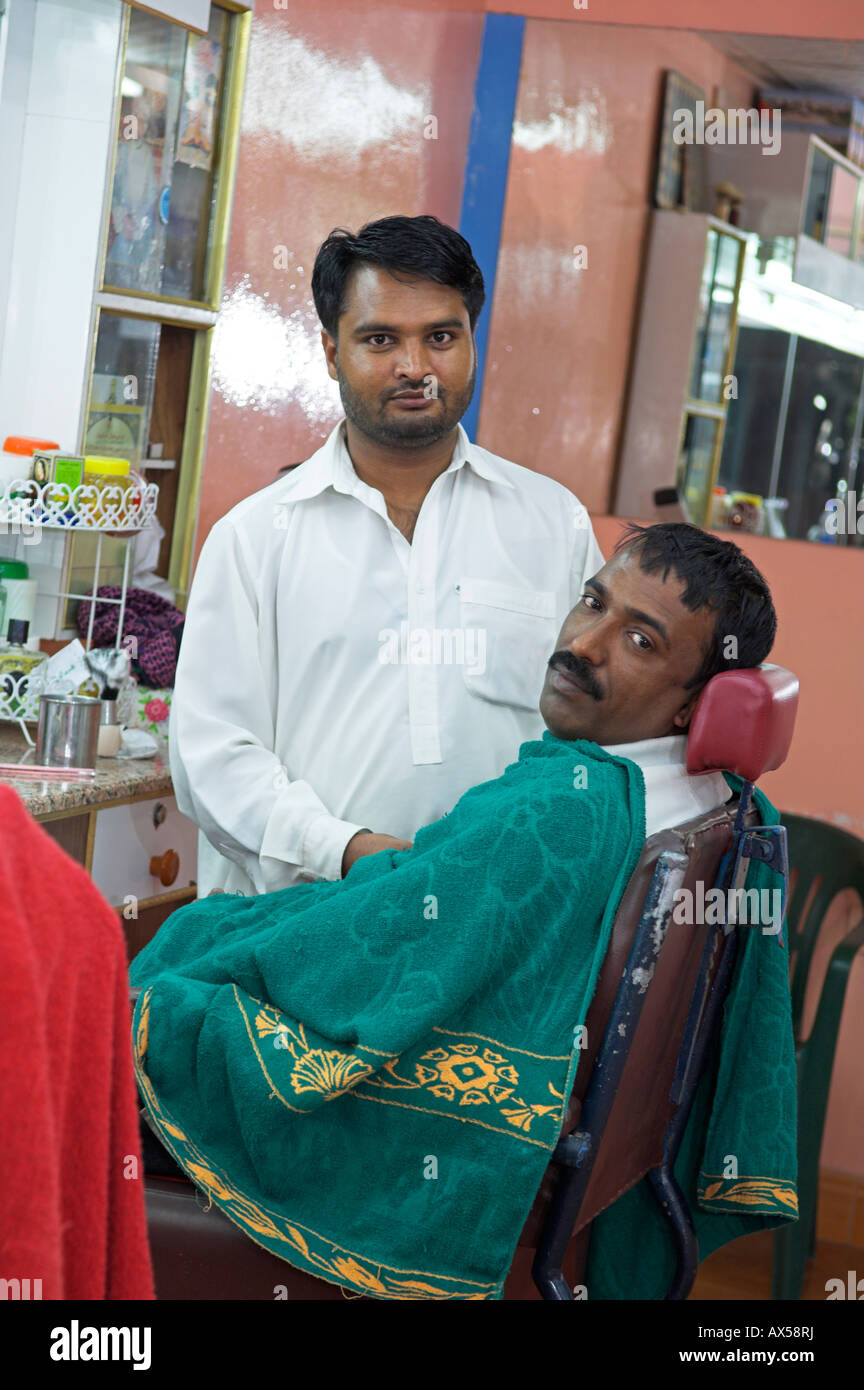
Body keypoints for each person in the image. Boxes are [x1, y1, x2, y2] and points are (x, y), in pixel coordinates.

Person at [132, 523, 798, 1301]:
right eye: (593, 604)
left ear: (697, 703)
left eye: (641, 642)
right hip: (582, 1157)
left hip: (449, 1141)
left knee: (141, 1013)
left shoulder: (565, 808)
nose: (586, 644)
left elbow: (357, 967)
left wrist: (205, 939)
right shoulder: (726, 808)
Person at [170, 214, 604, 897]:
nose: (414, 367)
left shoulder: (554, 524)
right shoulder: (254, 540)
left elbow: (599, 729)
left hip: (496, 923)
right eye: (380, 339)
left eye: (440, 337)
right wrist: (346, 852)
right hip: (302, 928)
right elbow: (210, 758)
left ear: (472, 343)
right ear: (330, 351)